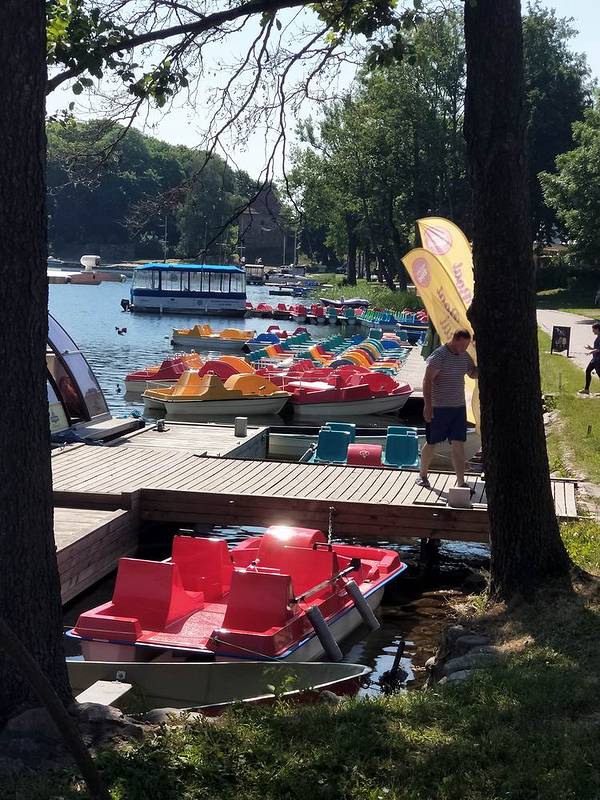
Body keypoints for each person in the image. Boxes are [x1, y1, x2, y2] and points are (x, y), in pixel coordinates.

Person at [416, 329, 479, 490]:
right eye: (462, 345)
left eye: (466, 345)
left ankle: (461, 482)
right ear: (454, 340)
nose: (464, 349)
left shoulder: (464, 356)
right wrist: (428, 405)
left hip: (458, 408)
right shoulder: (439, 356)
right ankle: (422, 475)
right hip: (439, 407)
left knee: (458, 443)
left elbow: (472, 373)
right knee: (432, 442)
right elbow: (427, 381)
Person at [579, 322, 600, 395]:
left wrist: (592, 351)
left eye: (593, 329)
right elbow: (597, 348)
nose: (592, 331)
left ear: (597, 329)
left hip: (598, 360)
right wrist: (591, 348)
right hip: (595, 359)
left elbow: (599, 349)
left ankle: (586, 389)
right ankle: (586, 389)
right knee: (588, 371)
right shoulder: (598, 337)